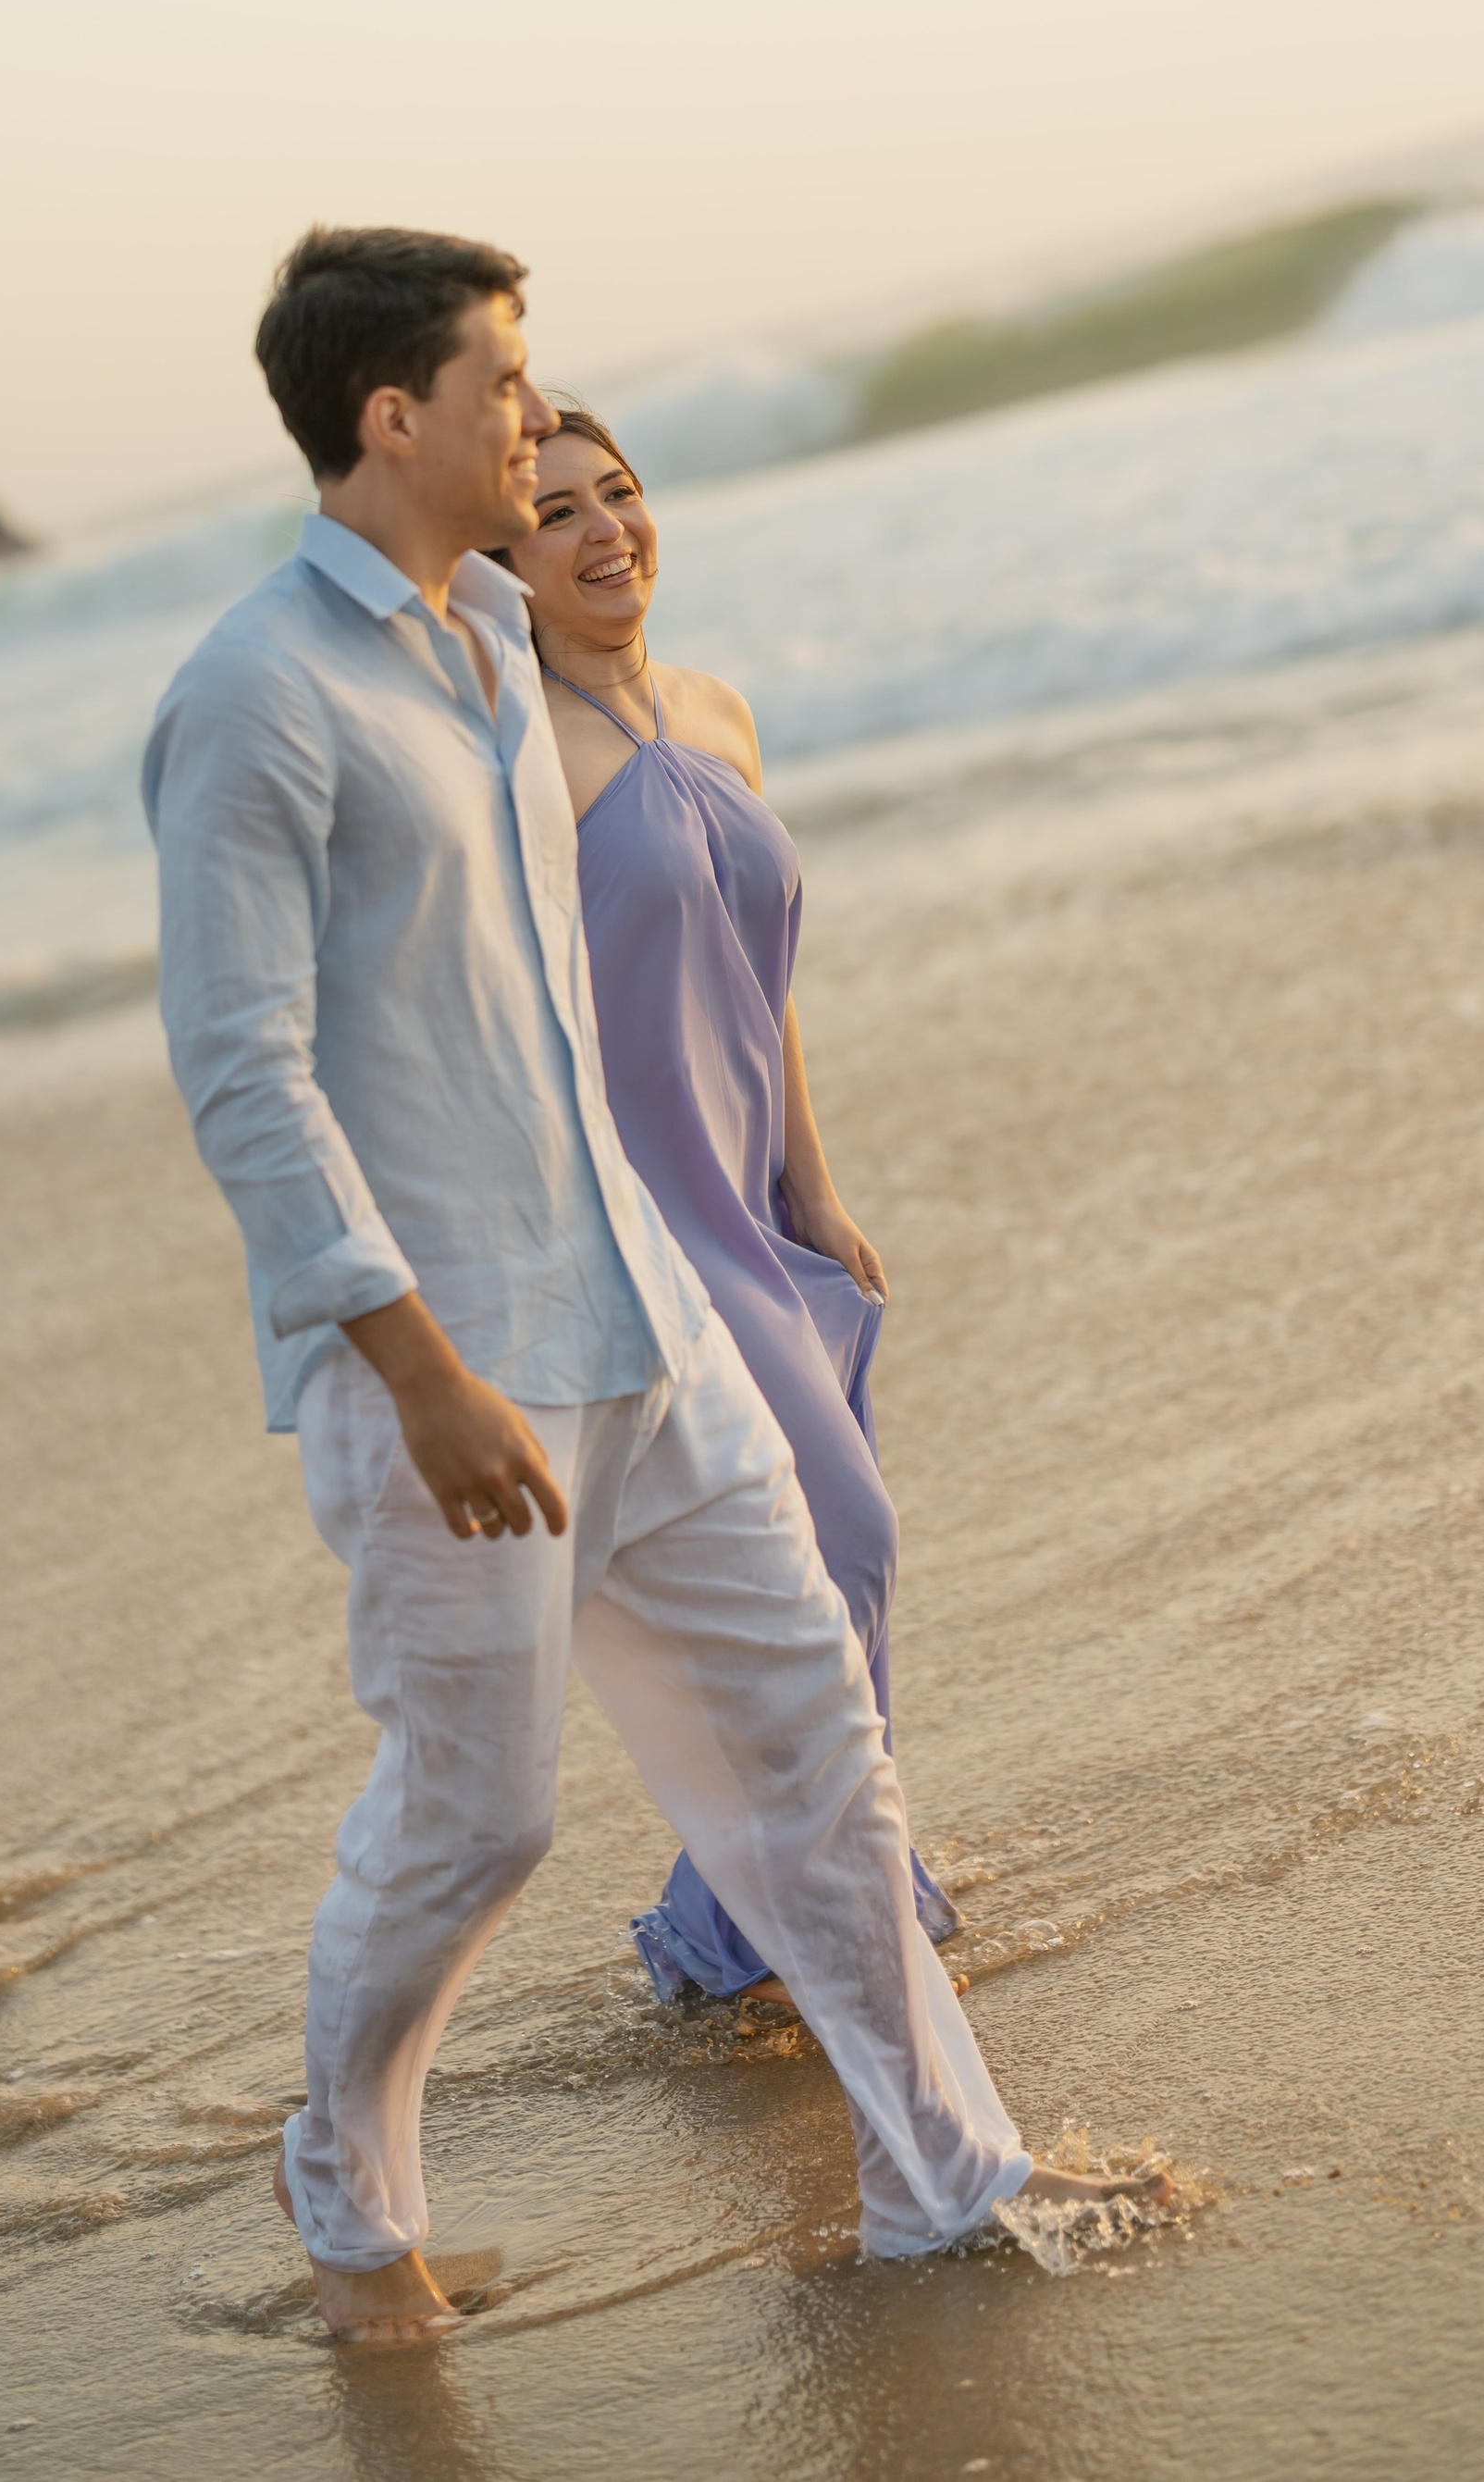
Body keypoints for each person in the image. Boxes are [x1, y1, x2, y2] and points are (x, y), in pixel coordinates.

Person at [142, 226, 1147, 2347]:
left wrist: (748, 1232)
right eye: (504, 385)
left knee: (811, 1746)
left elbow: (575, 1019)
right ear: (389, 417)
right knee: (476, 1814)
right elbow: (241, 1068)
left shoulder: (491, 666)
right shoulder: (255, 694)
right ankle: (345, 2203)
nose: (539, 415)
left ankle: (942, 2184)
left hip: (649, 1320)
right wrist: (407, 1355)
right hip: (442, 1357)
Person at [504, 403, 955, 2004]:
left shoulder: (716, 709)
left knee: (817, 1575)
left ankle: (760, 1915)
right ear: (505, 558)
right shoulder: (520, 755)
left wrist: (817, 1190)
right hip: (650, 1227)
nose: (602, 529)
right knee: (845, 1542)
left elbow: (767, 985)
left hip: (764, 1213)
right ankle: (781, 1912)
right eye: (553, 511)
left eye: (617, 494)